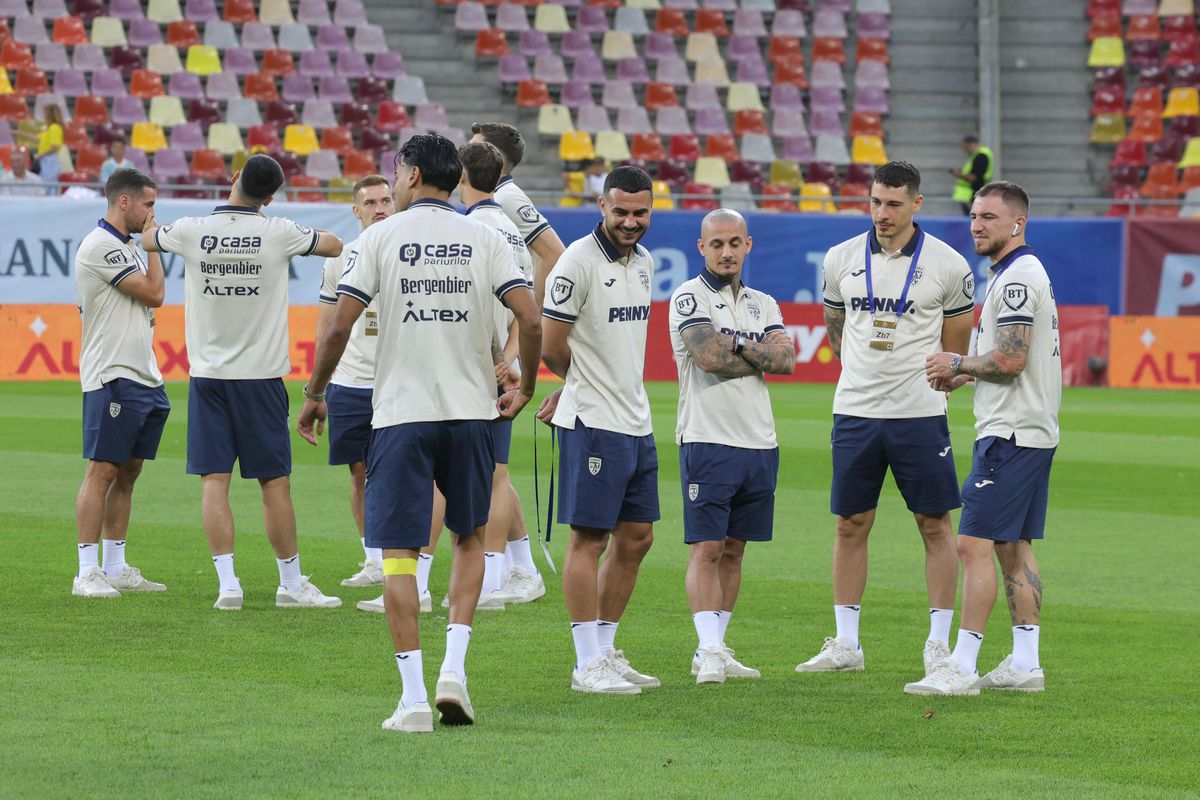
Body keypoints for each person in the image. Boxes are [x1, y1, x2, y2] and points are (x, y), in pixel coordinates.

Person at [298, 134, 542, 733]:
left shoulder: (377, 238)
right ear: (455, 177)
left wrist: (314, 393)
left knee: (400, 557)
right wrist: (526, 382)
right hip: (470, 413)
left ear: (408, 175)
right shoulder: (485, 236)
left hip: (402, 415)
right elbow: (531, 318)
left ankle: (411, 700)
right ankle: (453, 671)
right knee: (468, 537)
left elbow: (337, 330)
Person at [797, 161, 975, 685]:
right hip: (855, 412)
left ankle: (939, 646)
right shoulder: (840, 258)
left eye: (893, 204)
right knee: (850, 523)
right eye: (875, 202)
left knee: (935, 525)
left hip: (919, 415)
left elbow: (957, 349)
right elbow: (835, 330)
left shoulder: (947, 264)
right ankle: (847, 642)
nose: (882, 213)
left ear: (916, 204)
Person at [142, 154, 343, 611]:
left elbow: (150, 238)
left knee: (215, 481)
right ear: (269, 197)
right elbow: (333, 245)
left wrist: (152, 224)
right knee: (274, 484)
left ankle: (228, 585)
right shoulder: (279, 232)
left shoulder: (192, 229)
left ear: (233, 179)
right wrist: (271, 224)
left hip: (209, 377)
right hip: (261, 378)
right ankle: (290, 584)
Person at [908, 181, 1061, 696]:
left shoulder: (1017, 279)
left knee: (971, 542)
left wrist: (957, 362)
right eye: (974, 215)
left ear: (1017, 223)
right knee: (1013, 548)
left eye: (989, 217)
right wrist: (967, 374)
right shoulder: (1012, 275)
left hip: (1012, 432)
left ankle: (962, 666)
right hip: (1030, 429)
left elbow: (1012, 359)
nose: (977, 224)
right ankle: (1024, 664)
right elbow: (1007, 360)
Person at [538, 165, 660, 695]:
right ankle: (586, 661)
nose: (631, 222)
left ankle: (607, 651)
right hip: (592, 422)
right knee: (588, 540)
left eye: (640, 213)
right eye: (621, 212)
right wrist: (578, 385)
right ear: (602, 208)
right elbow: (550, 346)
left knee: (636, 538)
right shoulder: (576, 264)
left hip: (635, 418)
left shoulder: (647, 262)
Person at [668, 209, 796, 684]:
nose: (726, 252)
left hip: (759, 441)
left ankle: (716, 647)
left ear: (748, 245)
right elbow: (707, 358)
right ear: (701, 247)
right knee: (706, 547)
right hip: (708, 438)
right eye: (716, 243)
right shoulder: (688, 296)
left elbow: (786, 360)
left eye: (734, 243)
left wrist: (737, 347)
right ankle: (707, 648)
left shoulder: (764, 302)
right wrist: (755, 352)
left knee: (736, 549)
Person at [468, 121, 567, 578]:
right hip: (506, 340)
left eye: (472, 148)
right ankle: (522, 566)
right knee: (492, 468)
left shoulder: (505, 197)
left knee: (491, 469)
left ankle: (497, 573)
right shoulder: (494, 204)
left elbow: (554, 254)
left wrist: (537, 321)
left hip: (504, 344)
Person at [71, 168, 171, 598]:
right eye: (148, 204)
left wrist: (143, 245)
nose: (153, 212)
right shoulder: (100, 246)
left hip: (144, 373)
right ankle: (87, 572)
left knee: (129, 471)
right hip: (111, 373)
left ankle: (115, 566)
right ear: (124, 202)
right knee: (102, 470)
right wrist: (152, 246)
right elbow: (154, 294)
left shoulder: (126, 247)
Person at [312, 175, 395, 593]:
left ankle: (409, 563)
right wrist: (320, 388)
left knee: (406, 473)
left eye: (386, 200)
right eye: (371, 203)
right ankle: (374, 559)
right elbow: (327, 326)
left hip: (398, 382)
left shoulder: (406, 253)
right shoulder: (338, 260)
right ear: (356, 210)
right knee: (359, 473)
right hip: (349, 383)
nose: (380, 208)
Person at [949, 135, 994, 215]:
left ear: (971, 144)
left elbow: (973, 177)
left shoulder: (981, 156)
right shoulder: (979, 155)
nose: (965, 151)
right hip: (973, 194)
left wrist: (958, 174)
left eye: (965, 148)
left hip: (972, 193)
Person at [35, 104, 65, 195]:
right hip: (46, 160)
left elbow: (55, 146)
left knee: (48, 185)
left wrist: (40, 155)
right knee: (47, 184)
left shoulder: (54, 128)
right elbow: (36, 138)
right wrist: (17, 132)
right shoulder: (49, 129)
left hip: (50, 160)